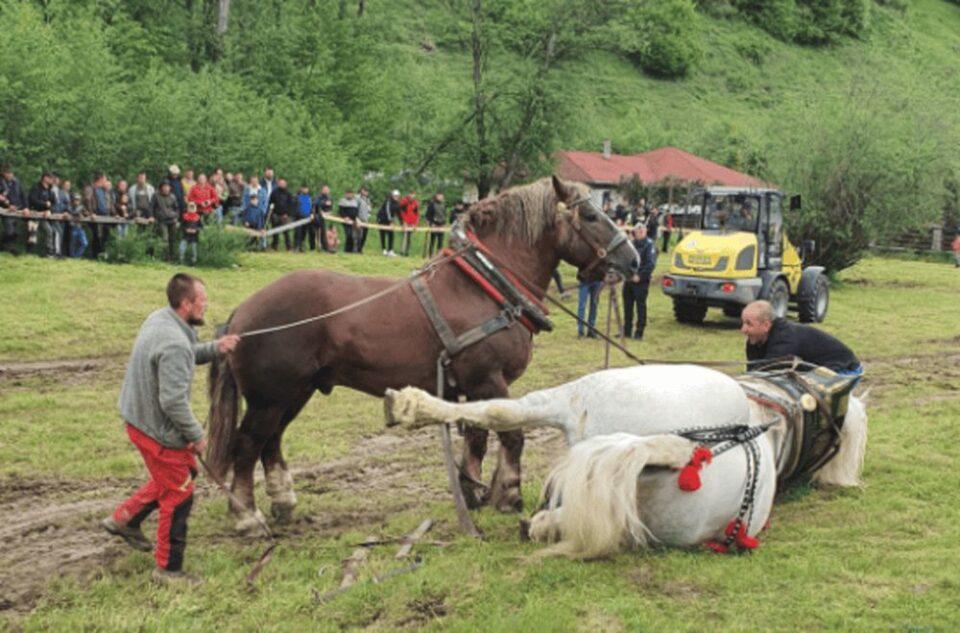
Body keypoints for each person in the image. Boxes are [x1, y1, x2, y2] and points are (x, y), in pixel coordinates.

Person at [102, 273, 239, 585]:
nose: (206, 306)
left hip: (138, 418)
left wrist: (217, 347)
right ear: (186, 304)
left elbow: (186, 354)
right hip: (155, 430)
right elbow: (174, 403)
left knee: (177, 476)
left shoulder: (163, 320)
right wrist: (198, 436)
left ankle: (124, 519)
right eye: (202, 302)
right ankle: (167, 570)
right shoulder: (176, 341)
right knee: (179, 495)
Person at [741, 300, 863, 378]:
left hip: (843, 367)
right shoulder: (754, 340)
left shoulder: (784, 339)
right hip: (812, 369)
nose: (743, 329)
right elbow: (753, 372)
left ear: (766, 325)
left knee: (810, 403)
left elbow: (766, 373)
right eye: (743, 323)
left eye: (749, 324)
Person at [622, 224, 657, 340]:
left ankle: (639, 332)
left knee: (640, 307)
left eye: (642, 230)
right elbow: (626, 260)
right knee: (627, 305)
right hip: (629, 280)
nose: (640, 232)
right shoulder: (632, 244)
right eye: (638, 230)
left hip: (641, 281)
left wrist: (640, 276)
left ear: (646, 231)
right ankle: (627, 331)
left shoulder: (649, 245)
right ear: (634, 232)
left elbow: (650, 264)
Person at [28, 172, 56, 255]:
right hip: (34, 214)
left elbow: (53, 203)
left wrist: (49, 210)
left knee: (49, 231)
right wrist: (44, 204)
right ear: (45, 178)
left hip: (44, 216)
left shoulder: (50, 190)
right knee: (32, 234)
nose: (52, 180)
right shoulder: (36, 188)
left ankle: (49, 252)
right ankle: (29, 253)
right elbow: (32, 200)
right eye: (50, 178)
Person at [152, 181, 179, 261]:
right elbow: (151, 207)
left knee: (173, 239)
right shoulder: (156, 196)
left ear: (170, 188)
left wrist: (176, 216)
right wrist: (151, 216)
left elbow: (177, 208)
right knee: (165, 239)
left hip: (172, 220)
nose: (166, 188)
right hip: (161, 220)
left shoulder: (173, 197)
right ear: (161, 187)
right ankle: (166, 258)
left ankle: (173, 257)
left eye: (167, 186)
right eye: (164, 186)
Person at [0, 164, 26, 252]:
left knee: (15, 231)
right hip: (5, 209)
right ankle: (9, 248)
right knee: (9, 229)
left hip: (16, 208)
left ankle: (6, 246)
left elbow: (22, 195)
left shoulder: (16, 182)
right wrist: (7, 204)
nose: (10, 175)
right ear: (3, 173)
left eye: (11, 173)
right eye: (7, 173)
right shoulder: (1, 182)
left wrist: (25, 207)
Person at [268, 178, 296, 251]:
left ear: (285, 184)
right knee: (275, 232)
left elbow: (291, 205)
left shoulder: (288, 193)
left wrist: (287, 214)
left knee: (286, 232)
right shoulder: (274, 192)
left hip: (285, 215)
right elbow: (270, 203)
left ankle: (288, 247)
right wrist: (271, 212)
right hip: (275, 214)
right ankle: (274, 246)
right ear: (278, 183)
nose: (282, 184)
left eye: (283, 183)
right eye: (280, 183)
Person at [576, 272, 602, 338]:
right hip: (585, 279)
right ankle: (580, 331)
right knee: (582, 306)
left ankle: (591, 330)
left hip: (597, 279)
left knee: (594, 305)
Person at [377, 189, 401, 256]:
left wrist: (403, 223)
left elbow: (399, 214)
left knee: (391, 235)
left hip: (389, 221)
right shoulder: (388, 202)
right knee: (383, 234)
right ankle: (384, 250)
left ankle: (390, 250)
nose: (396, 197)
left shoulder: (397, 204)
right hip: (382, 219)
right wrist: (390, 221)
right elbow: (388, 212)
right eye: (395, 196)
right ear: (392, 196)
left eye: (397, 196)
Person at [313, 185, 335, 253]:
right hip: (317, 217)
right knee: (318, 232)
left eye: (327, 189)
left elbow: (331, 207)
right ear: (322, 190)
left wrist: (328, 212)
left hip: (326, 217)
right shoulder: (318, 197)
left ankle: (326, 247)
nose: (326, 191)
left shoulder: (330, 198)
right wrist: (324, 203)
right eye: (325, 189)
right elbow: (315, 203)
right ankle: (318, 247)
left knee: (325, 232)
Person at [425, 192, 446, 256]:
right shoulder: (432, 204)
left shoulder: (443, 205)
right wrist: (431, 224)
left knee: (440, 241)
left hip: (441, 224)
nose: (441, 198)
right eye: (439, 196)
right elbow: (428, 215)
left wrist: (444, 223)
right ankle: (430, 255)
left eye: (442, 196)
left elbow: (444, 215)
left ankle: (439, 255)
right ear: (436, 196)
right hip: (434, 224)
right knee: (432, 240)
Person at [399, 190, 419, 256]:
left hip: (412, 223)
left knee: (409, 237)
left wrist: (415, 224)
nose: (412, 195)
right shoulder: (404, 201)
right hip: (405, 222)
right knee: (405, 236)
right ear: (408, 194)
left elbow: (416, 214)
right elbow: (401, 212)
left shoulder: (415, 203)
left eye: (413, 194)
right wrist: (403, 222)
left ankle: (407, 252)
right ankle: (402, 251)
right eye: (411, 194)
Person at [295, 184, 314, 252]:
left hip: (307, 218)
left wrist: (311, 214)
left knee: (304, 233)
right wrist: (298, 215)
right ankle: (297, 246)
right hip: (299, 217)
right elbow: (296, 207)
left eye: (306, 188)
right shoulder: (297, 197)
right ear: (301, 189)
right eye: (304, 188)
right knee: (298, 233)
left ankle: (301, 247)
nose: (305, 190)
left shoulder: (309, 197)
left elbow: (311, 207)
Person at [356, 186, 372, 254]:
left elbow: (369, 210)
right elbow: (355, 208)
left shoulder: (367, 200)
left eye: (367, 191)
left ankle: (360, 249)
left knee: (364, 235)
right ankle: (356, 249)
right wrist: (356, 219)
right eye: (365, 190)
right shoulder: (357, 198)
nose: (366, 192)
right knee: (358, 235)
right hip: (358, 220)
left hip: (366, 220)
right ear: (361, 190)